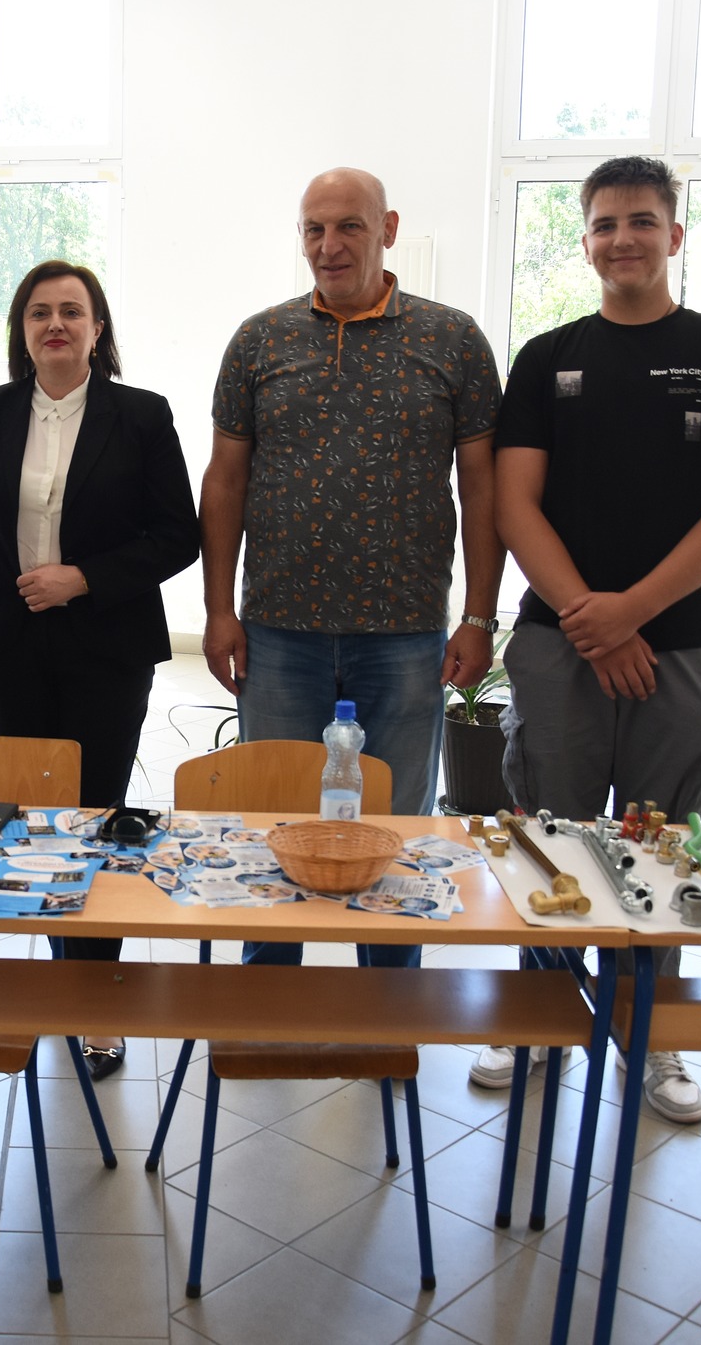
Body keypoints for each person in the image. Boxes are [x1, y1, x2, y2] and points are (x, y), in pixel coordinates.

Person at [469, 156, 701, 1123]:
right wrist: (594, 625)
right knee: (549, 839)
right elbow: (514, 506)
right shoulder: (545, 358)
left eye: (642, 220)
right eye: (605, 224)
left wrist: (630, 612)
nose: (623, 238)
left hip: (681, 648)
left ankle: (652, 1032)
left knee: (663, 851)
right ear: (586, 242)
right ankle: (536, 1019)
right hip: (562, 645)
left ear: (674, 236)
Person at [200, 167, 503, 967]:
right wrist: (219, 609)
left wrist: (478, 615)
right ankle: (270, 994)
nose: (329, 245)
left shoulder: (453, 339)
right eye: (314, 228)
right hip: (278, 631)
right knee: (275, 827)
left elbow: (483, 487)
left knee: (395, 834)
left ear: (388, 229)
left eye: (349, 227)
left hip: (405, 633)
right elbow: (224, 480)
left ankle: (389, 1001)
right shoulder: (259, 340)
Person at [0, 259, 199, 1078]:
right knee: (39, 815)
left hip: (107, 648)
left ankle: (98, 1004)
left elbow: (177, 535)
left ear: (97, 328)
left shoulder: (141, 415)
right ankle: (65, 975)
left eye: (71, 311)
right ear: (21, 331)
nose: (55, 324)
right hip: (10, 647)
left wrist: (83, 577)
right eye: (39, 312)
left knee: (98, 816)